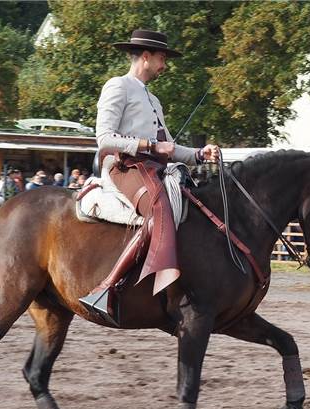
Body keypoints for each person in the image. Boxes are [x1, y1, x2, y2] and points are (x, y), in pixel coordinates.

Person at [80, 29, 221, 321]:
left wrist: (198, 154)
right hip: (125, 168)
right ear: (145, 57)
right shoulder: (118, 86)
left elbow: (168, 148)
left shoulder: (154, 100)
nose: (164, 65)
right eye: (161, 58)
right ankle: (106, 287)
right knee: (160, 212)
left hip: (155, 168)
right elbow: (104, 139)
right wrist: (148, 145)